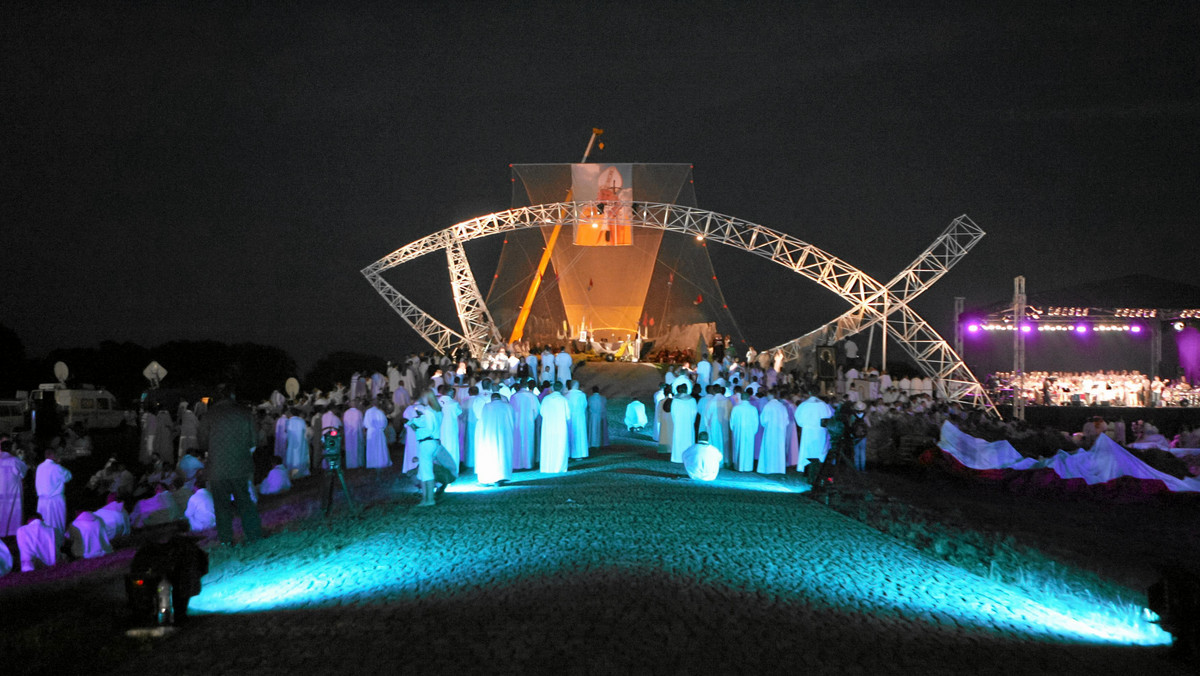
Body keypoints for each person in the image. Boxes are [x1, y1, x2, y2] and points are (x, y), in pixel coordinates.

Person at [199, 385, 262, 546]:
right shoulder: (244, 412)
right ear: (232, 395)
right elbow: (254, 441)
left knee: (221, 507)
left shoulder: (208, 416)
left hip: (217, 468)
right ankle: (254, 535)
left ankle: (226, 540)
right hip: (240, 465)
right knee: (245, 502)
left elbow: (203, 443)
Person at [476, 394, 514, 485]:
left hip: (490, 435)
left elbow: (482, 420)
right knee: (503, 455)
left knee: (491, 455)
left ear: (492, 399)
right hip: (505, 434)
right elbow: (512, 419)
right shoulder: (508, 406)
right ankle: (502, 476)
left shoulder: (486, 406)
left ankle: (490, 477)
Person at [795, 391, 834, 473]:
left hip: (808, 431)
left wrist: (804, 424)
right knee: (819, 450)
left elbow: (798, 417)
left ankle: (806, 467)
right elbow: (829, 416)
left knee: (807, 450)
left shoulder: (804, 405)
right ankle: (819, 467)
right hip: (820, 431)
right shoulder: (823, 405)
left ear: (809, 393)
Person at [35, 448, 72, 535]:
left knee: (44, 522)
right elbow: (68, 477)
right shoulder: (57, 467)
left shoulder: (39, 467)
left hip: (42, 500)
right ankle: (57, 540)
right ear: (53, 456)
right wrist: (59, 464)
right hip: (55, 500)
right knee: (57, 521)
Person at [538, 382, 571, 474]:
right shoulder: (564, 400)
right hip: (560, 427)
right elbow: (568, 416)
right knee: (560, 447)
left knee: (548, 446)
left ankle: (547, 467)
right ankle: (559, 467)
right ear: (561, 389)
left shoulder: (546, 399)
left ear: (552, 388)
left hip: (548, 426)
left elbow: (542, 412)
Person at [0, 437, 27, 537]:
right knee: (12, 512)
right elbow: (23, 472)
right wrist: (21, 459)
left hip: (1, 491)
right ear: (11, 448)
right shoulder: (14, 460)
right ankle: (11, 532)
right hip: (12, 491)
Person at [510, 381, 539, 470]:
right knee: (528, 442)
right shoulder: (532, 396)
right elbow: (537, 410)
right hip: (528, 422)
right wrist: (532, 418)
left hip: (517, 423)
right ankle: (528, 463)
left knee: (518, 442)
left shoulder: (514, 396)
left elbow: (511, 410)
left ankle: (517, 464)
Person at [757, 393, 788, 475]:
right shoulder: (782, 407)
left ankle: (768, 468)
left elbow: (763, 420)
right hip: (780, 432)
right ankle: (779, 469)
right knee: (779, 449)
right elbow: (786, 421)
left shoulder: (768, 406)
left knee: (769, 449)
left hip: (770, 431)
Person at [669, 383, 697, 463]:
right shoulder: (692, 400)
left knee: (678, 438)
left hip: (678, 423)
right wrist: (692, 421)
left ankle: (677, 457)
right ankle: (688, 457)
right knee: (688, 438)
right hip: (689, 423)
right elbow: (694, 413)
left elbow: (673, 413)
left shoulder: (675, 401)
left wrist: (676, 421)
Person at [729, 396, 759, 472]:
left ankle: (738, 466)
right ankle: (748, 467)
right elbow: (756, 422)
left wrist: (734, 430)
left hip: (738, 431)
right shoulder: (753, 409)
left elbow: (732, 421)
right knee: (748, 449)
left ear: (741, 398)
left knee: (738, 447)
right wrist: (753, 432)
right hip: (750, 432)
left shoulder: (736, 408)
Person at [364, 398, 391, 469]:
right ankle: (381, 462)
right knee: (380, 447)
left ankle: (371, 463)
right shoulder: (380, 412)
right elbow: (384, 423)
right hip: (379, 432)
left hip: (371, 432)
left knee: (371, 448)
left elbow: (365, 423)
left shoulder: (368, 412)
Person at [284, 408, 310, 478]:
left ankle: (292, 473)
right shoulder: (302, 421)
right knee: (300, 456)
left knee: (291, 456)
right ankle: (301, 472)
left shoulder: (288, 421)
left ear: (291, 413)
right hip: (301, 443)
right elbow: (306, 432)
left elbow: (286, 432)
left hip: (292, 443)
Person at [566, 381, 589, 459]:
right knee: (579, 435)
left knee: (570, 435)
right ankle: (579, 454)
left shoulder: (566, 395)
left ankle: (569, 453)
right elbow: (584, 405)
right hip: (579, 417)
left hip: (569, 418)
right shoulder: (581, 395)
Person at [586, 386, 609, 450]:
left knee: (592, 430)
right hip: (600, 415)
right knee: (599, 430)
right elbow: (604, 407)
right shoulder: (603, 398)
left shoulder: (590, 398)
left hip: (592, 416)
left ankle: (592, 443)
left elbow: (588, 406)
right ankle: (599, 444)